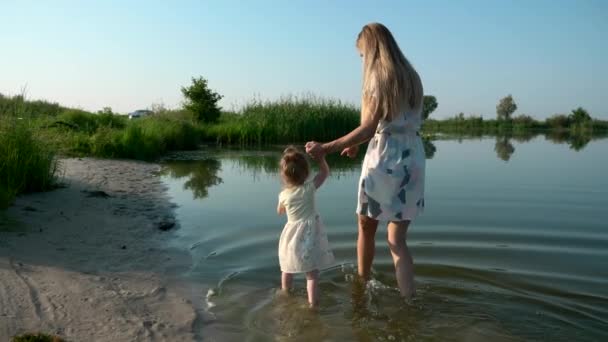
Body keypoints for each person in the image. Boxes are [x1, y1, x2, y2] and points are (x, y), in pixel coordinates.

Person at [306, 23, 425, 298]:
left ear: (371, 50)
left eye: (362, 55)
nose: (361, 61)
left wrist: (327, 147)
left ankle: (361, 285)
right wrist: (358, 145)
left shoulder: (377, 78)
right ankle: (410, 301)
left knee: (366, 226)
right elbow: (391, 121)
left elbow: (370, 127)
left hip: (384, 156)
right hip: (413, 158)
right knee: (397, 240)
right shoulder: (412, 77)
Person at [277, 146, 335, 307]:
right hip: (308, 237)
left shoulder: (283, 195)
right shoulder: (309, 189)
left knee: (286, 268)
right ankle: (312, 304)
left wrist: (285, 204)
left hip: (290, 236)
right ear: (307, 172)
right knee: (311, 273)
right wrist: (321, 160)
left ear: (284, 175)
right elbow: (324, 173)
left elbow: (280, 211)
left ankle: (285, 293)